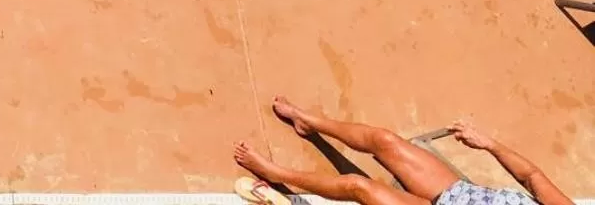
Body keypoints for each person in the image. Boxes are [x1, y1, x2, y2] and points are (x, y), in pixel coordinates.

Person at [233, 96, 574, 205]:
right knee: (385, 141)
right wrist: (489, 144)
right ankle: (310, 122)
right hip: (459, 194)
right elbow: (531, 176)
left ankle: (277, 175)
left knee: (359, 187)